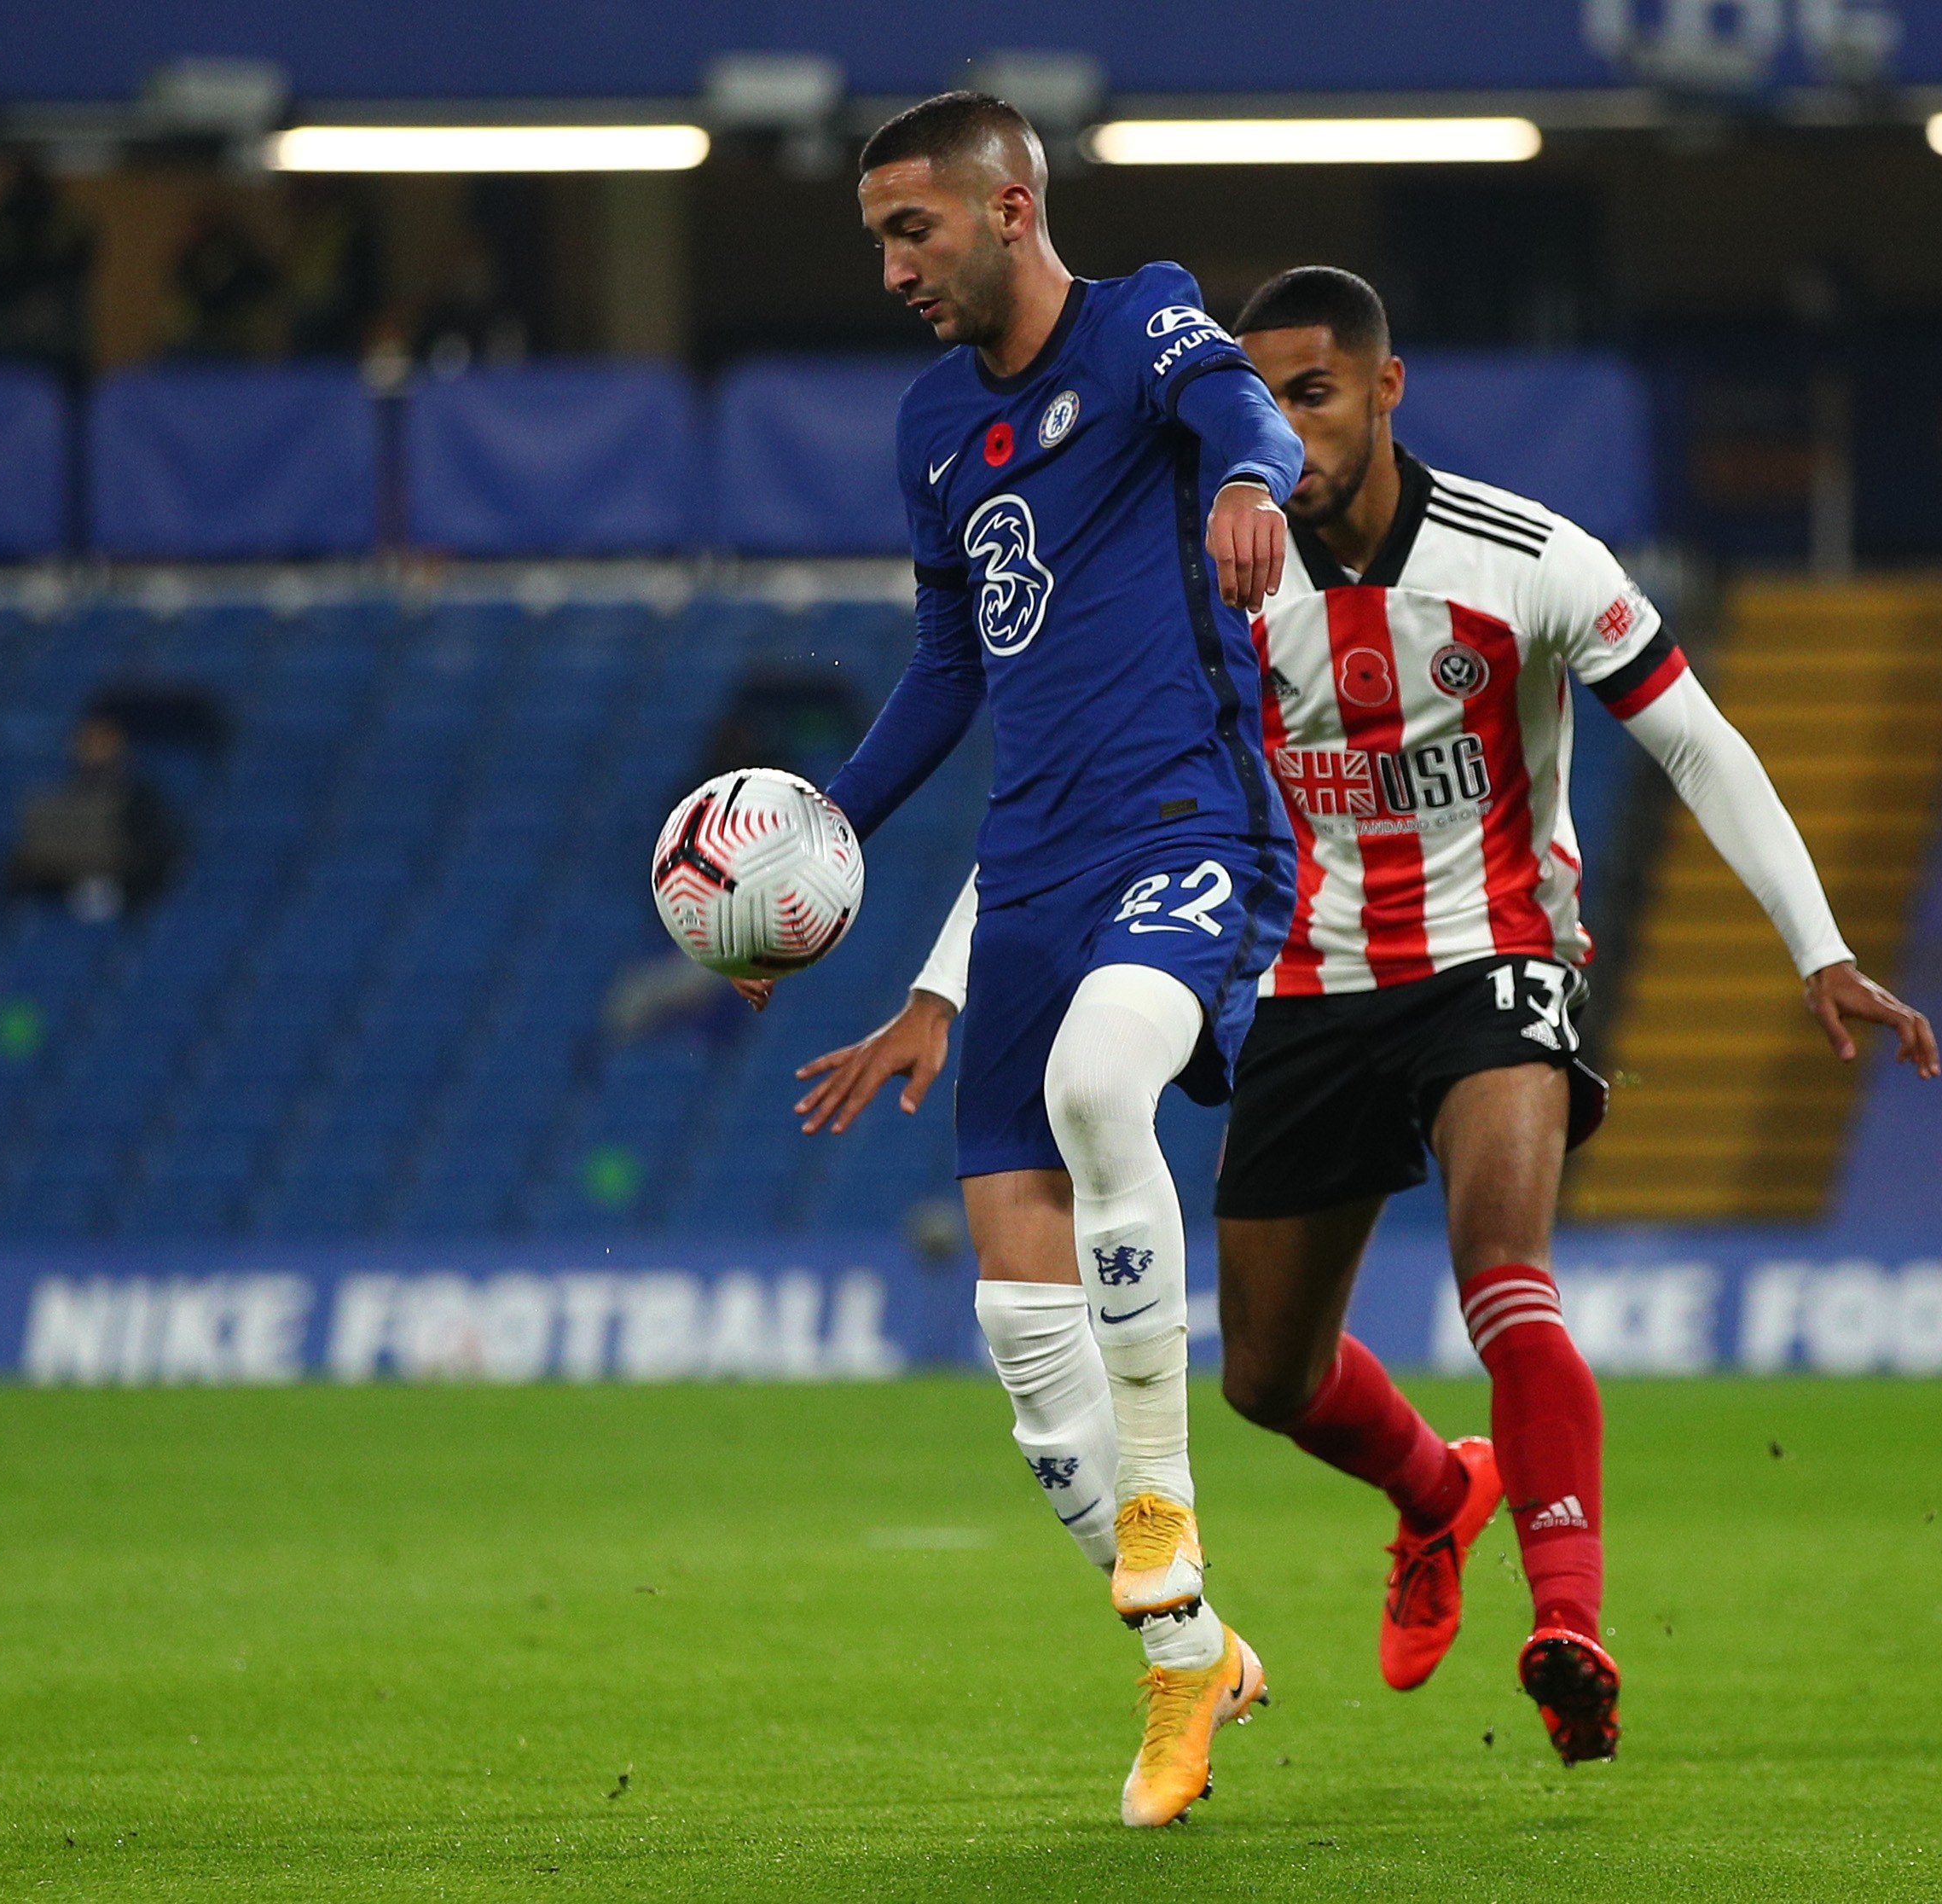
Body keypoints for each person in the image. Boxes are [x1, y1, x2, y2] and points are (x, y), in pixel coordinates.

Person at [795, 266, 1941, 1768]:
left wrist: (1819, 945)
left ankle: (1569, 1621)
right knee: (1264, 1372)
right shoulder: (1203, 582)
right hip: (1302, 976)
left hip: (1494, 955)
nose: (1283, 431)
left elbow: (1695, 738)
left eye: (1315, 395)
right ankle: (1432, 1492)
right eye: (1259, 401)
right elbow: (1079, 806)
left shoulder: (1527, 559)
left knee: (1502, 1270)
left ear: (1386, 391)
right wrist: (948, 983)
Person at [741, 92, 1304, 1828]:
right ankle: (1184, 1657)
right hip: (1035, 871)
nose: (894, 266)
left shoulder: (1144, 317)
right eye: (877, 241)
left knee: (1091, 1089)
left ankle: (1165, 1510)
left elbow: (1241, 415)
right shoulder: (929, 427)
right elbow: (943, 673)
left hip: (1189, 825)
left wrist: (1249, 486)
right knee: (1014, 1321)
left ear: (1008, 204)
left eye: (914, 230)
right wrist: (812, 846)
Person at [3, 715, 183, 920]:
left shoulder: (143, 801)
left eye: (103, 749)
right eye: (89, 749)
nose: (95, 757)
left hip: (130, 893)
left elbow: (156, 860)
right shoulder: (65, 801)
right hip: (64, 894)